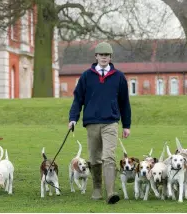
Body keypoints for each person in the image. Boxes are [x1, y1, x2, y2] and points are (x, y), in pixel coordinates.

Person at [68, 41, 132, 204]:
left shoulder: (119, 77)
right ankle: (97, 187)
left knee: (109, 157)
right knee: (95, 158)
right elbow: (78, 100)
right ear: (96, 56)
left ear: (110, 57)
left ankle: (111, 192)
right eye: (101, 55)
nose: (104, 58)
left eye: (107, 55)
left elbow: (124, 102)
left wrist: (126, 125)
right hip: (91, 122)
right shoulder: (86, 76)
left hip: (111, 122)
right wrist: (73, 118)